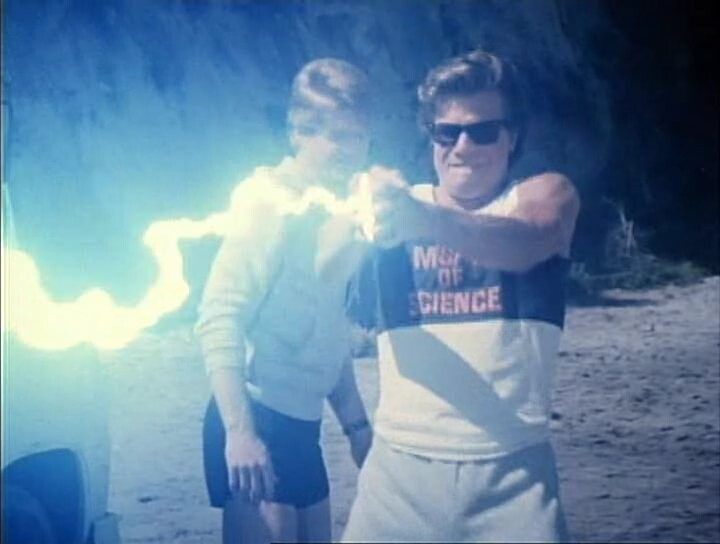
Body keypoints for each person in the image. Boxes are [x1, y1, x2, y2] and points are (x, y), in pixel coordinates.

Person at [340, 48, 580, 542]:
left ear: (512, 136)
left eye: (482, 131)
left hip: (514, 478)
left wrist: (421, 219)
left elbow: (530, 239)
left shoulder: (543, 195)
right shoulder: (392, 207)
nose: (463, 147)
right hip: (396, 477)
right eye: (446, 133)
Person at [195, 58, 373, 544]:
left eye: (357, 136)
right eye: (334, 135)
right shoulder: (268, 200)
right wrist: (240, 433)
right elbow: (219, 316)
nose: (347, 150)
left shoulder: (339, 210)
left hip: (302, 428)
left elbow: (328, 334)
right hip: (257, 418)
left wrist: (357, 427)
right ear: (299, 132)